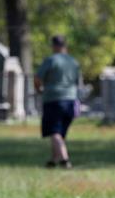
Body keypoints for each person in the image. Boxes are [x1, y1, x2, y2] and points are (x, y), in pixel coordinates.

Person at [35, 35, 82, 168]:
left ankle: (64, 160)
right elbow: (78, 81)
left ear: (54, 46)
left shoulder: (51, 60)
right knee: (60, 132)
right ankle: (53, 160)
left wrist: (39, 90)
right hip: (71, 99)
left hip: (53, 99)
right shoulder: (74, 62)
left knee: (54, 131)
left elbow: (37, 78)